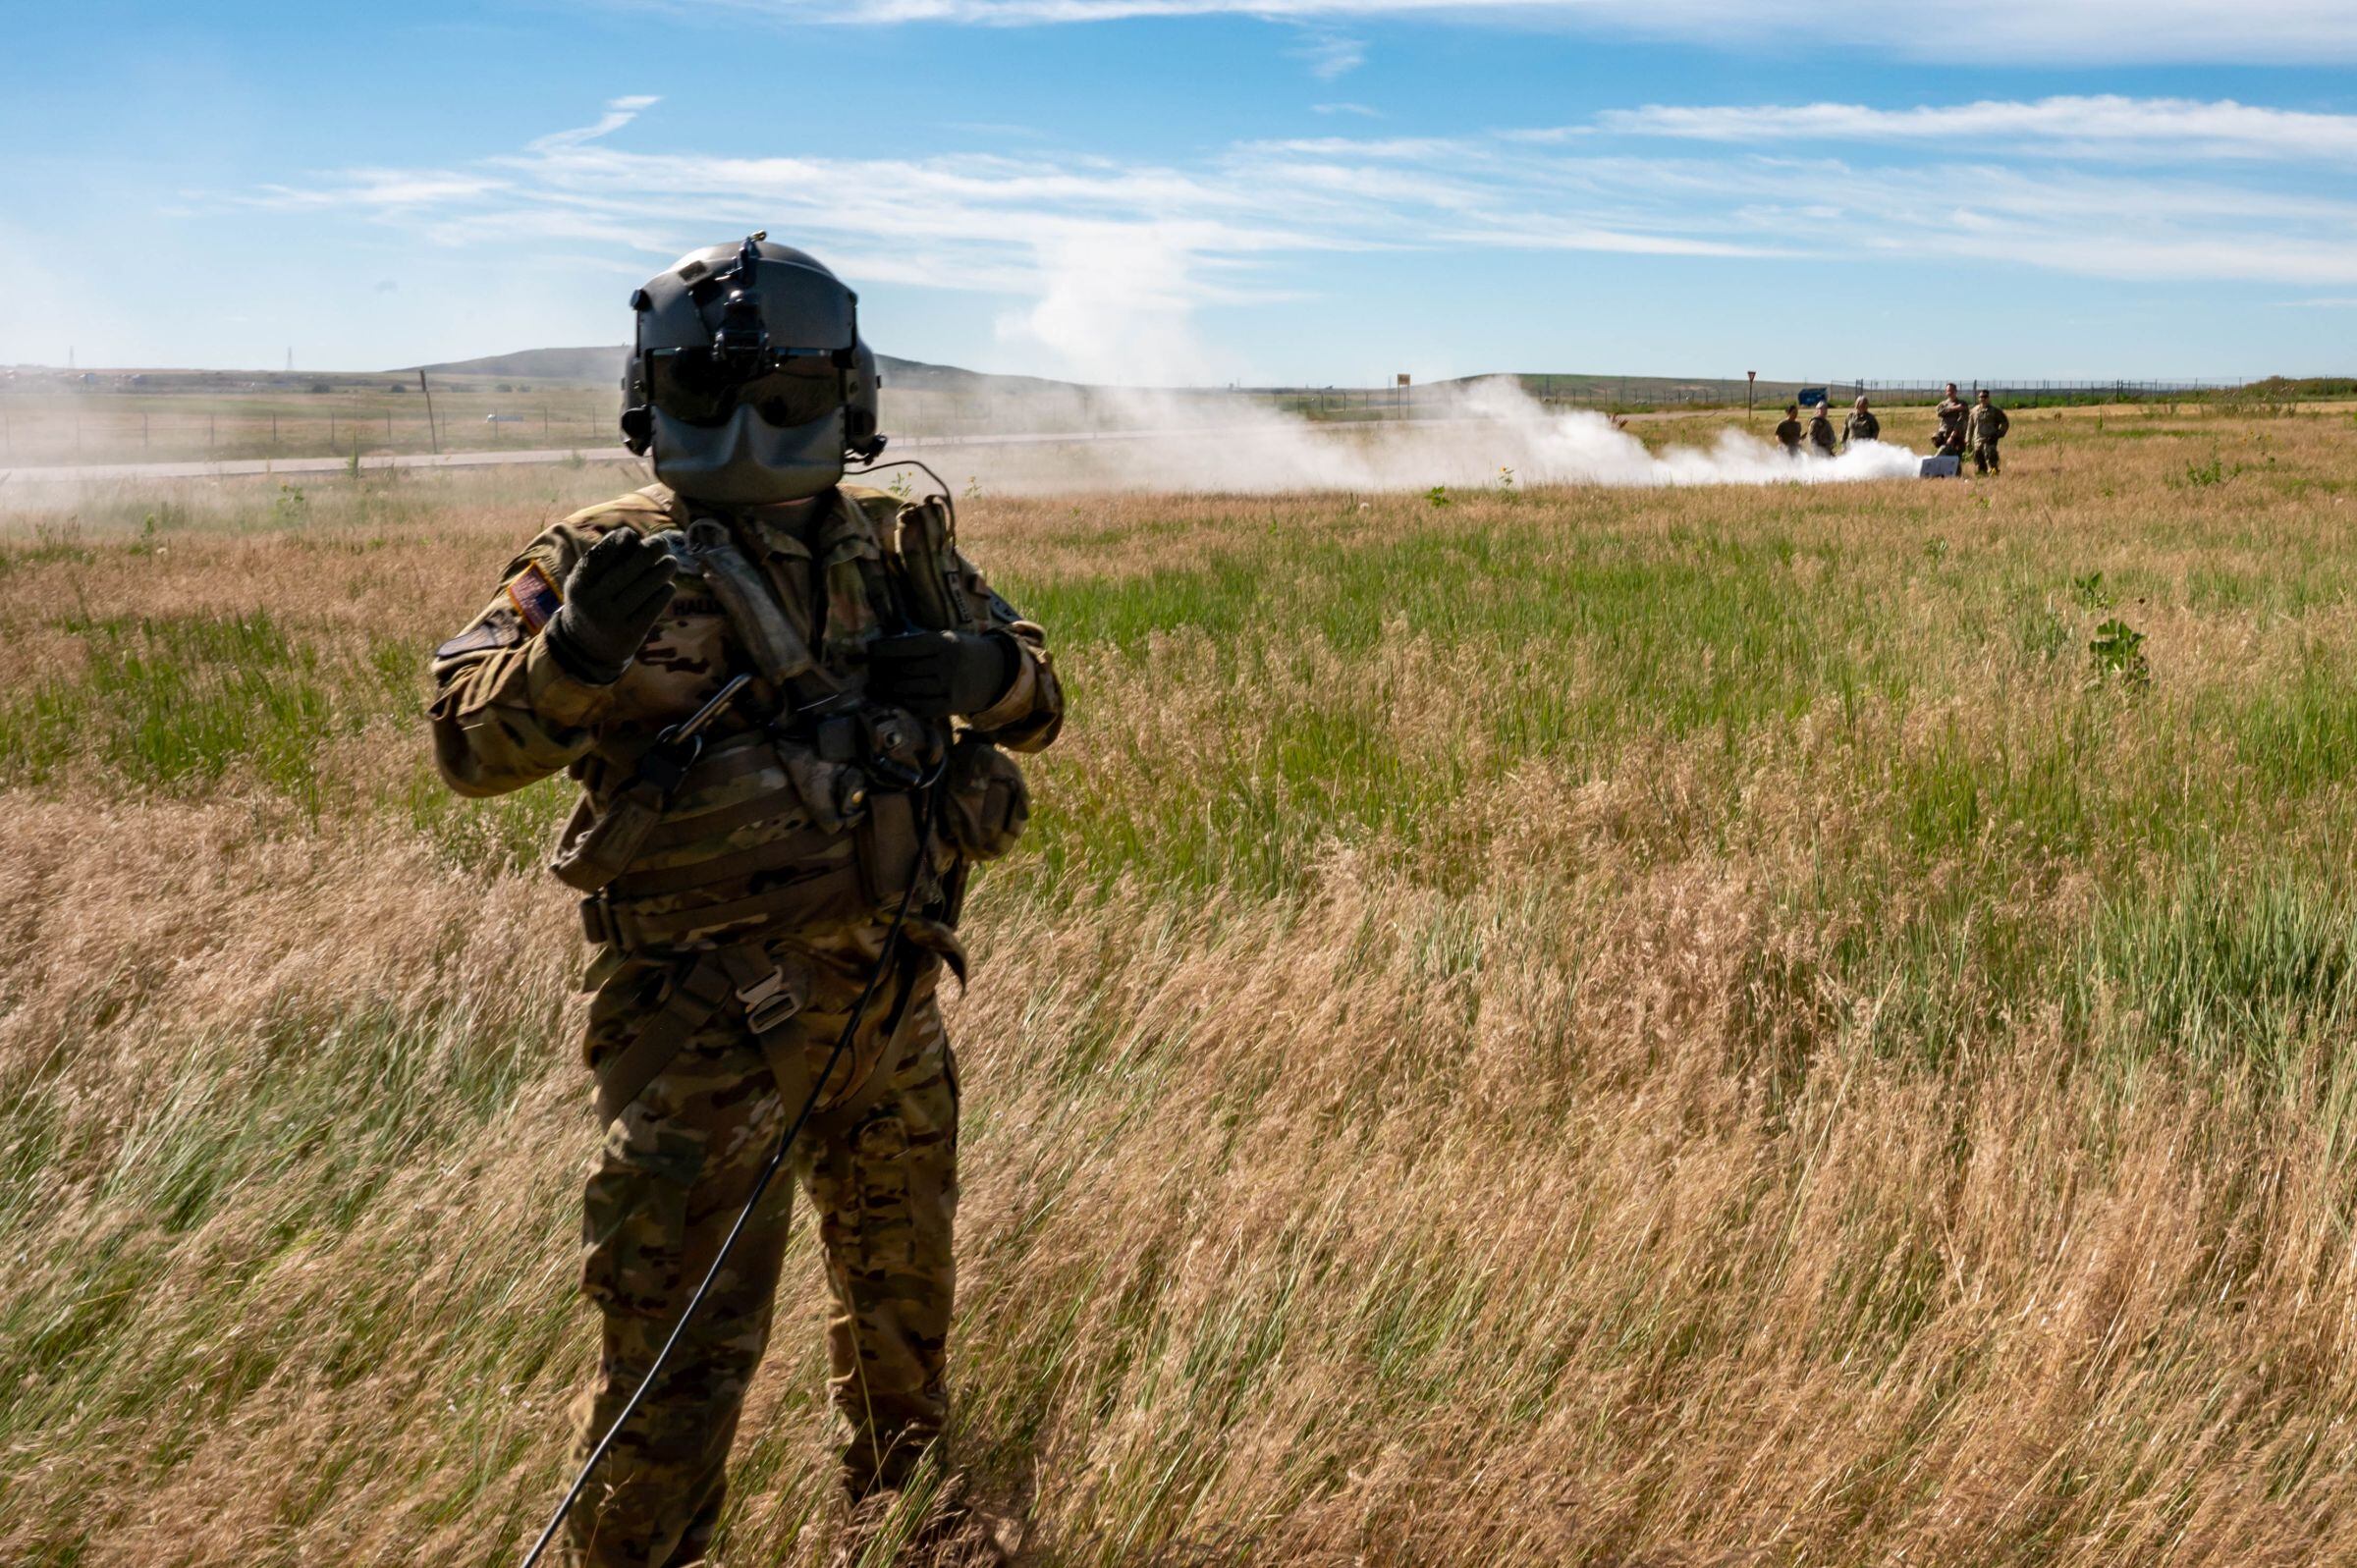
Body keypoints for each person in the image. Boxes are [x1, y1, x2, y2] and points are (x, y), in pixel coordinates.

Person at [428, 236, 1064, 1567]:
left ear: (849, 400)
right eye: (716, 399)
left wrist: (976, 670)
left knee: (906, 1339)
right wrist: (577, 651)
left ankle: (905, 1535)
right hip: (700, 1041)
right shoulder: (600, 559)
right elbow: (468, 746)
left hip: (889, 1011)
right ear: (652, 403)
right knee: (672, 1376)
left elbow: (1039, 698)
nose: (751, 432)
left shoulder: (896, 547)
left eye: (783, 402)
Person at [1968, 388, 2010, 474]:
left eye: (1985, 396)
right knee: (1979, 460)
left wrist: (1998, 434)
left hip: (1990, 440)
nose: (1983, 398)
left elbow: (2005, 422)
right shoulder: (1974, 411)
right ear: (1978, 398)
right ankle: (1982, 475)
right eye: (1981, 397)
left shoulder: (1995, 411)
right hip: (1977, 440)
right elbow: (1970, 426)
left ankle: (1994, 475)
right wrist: (1968, 440)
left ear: (1988, 398)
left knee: (1991, 458)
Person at [1933, 382, 1969, 459]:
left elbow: (1961, 421)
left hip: (1956, 436)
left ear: (1956, 391)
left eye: (1952, 390)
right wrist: (1954, 408)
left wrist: (1952, 436)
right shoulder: (1943, 404)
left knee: (1955, 459)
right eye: (1948, 391)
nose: (1950, 392)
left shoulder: (1962, 404)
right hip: (1943, 434)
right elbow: (1939, 412)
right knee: (1944, 457)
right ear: (1946, 392)